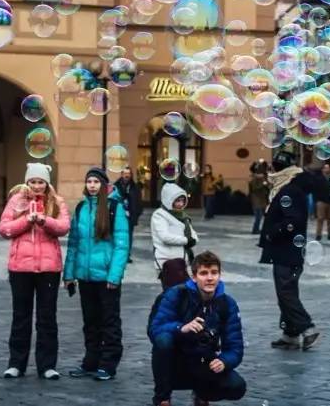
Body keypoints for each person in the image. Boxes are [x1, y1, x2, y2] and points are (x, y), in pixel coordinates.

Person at [0, 162, 70, 380]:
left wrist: (44, 220)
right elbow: (4, 228)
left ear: (46, 183)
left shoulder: (56, 202)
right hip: (21, 268)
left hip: (49, 268)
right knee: (21, 317)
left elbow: (64, 226)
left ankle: (47, 365)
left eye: (41, 182)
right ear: (27, 182)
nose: (37, 186)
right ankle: (16, 364)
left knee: (47, 318)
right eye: (33, 181)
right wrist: (25, 221)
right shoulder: (17, 200)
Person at [148, 251, 246, 406]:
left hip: (203, 360)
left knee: (237, 386)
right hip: (174, 361)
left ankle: (202, 394)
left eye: (214, 273)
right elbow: (155, 329)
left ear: (220, 275)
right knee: (163, 340)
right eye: (203, 273)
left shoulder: (227, 304)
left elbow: (235, 347)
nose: (209, 278)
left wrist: (224, 361)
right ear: (194, 277)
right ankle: (163, 398)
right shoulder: (176, 294)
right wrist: (181, 328)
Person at [64, 166, 130, 381]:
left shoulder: (114, 207)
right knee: (90, 322)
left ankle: (108, 364)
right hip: (85, 276)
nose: (92, 185)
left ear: (104, 185)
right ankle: (90, 362)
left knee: (109, 322)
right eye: (89, 181)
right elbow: (73, 244)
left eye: (96, 182)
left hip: (106, 277)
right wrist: (69, 274)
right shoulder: (82, 207)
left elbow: (121, 245)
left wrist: (114, 275)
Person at [258, 151, 328, 350]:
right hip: (288, 249)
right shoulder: (290, 187)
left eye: (274, 167)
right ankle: (290, 333)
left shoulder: (289, 190)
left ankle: (308, 328)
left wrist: (273, 232)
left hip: (286, 250)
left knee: (286, 293)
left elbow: (293, 220)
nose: (272, 171)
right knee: (286, 292)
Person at [151, 182, 197, 289]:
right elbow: (165, 237)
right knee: (172, 295)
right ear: (169, 200)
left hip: (183, 262)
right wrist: (186, 240)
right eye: (177, 201)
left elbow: (193, 234)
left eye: (182, 200)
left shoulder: (183, 216)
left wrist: (192, 239)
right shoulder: (159, 215)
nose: (180, 204)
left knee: (183, 296)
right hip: (167, 261)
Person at [115, 166, 144, 262]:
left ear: (131, 175)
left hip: (130, 216)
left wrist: (137, 214)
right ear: (122, 174)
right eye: (125, 173)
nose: (126, 175)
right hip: (118, 216)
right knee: (118, 236)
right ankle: (118, 255)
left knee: (129, 237)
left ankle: (127, 255)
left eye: (128, 173)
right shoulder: (116, 186)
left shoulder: (135, 187)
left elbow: (139, 202)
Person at [314, 162, 330, 241]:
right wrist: (316, 201)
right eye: (325, 168)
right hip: (321, 201)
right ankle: (318, 235)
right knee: (320, 218)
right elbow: (314, 190)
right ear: (322, 170)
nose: (327, 169)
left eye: (328, 168)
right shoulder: (318, 179)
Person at [247, 162, 270, 235]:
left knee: (263, 216)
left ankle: (259, 229)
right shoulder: (254, 178)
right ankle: (255, 230)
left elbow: (267, 187)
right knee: (258, 216)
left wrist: (266, 184)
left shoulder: (263, 177)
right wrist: (263, 184)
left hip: (262, 199)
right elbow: (255, 188)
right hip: (256, 199)